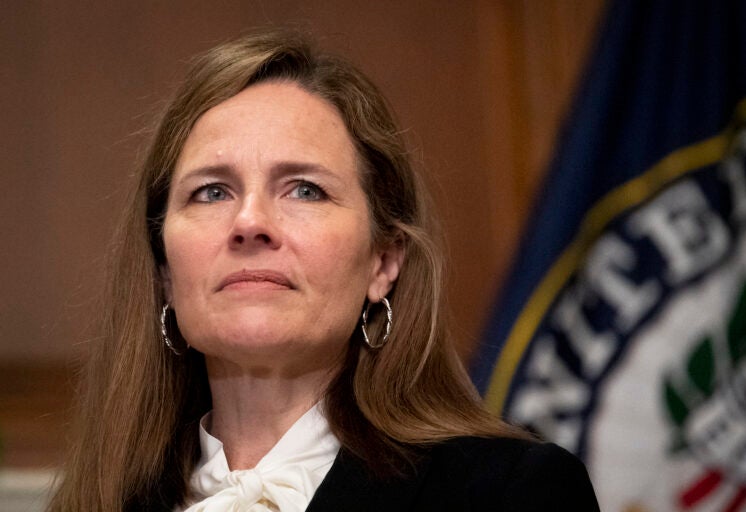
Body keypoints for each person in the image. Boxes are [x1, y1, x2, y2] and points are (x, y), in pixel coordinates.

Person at [48, 29, 600, 511]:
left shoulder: (507, 493)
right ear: (165, 268)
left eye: (305, 189)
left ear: (383, 262)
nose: (249, 221)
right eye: (212, 191)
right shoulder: (97, 500)